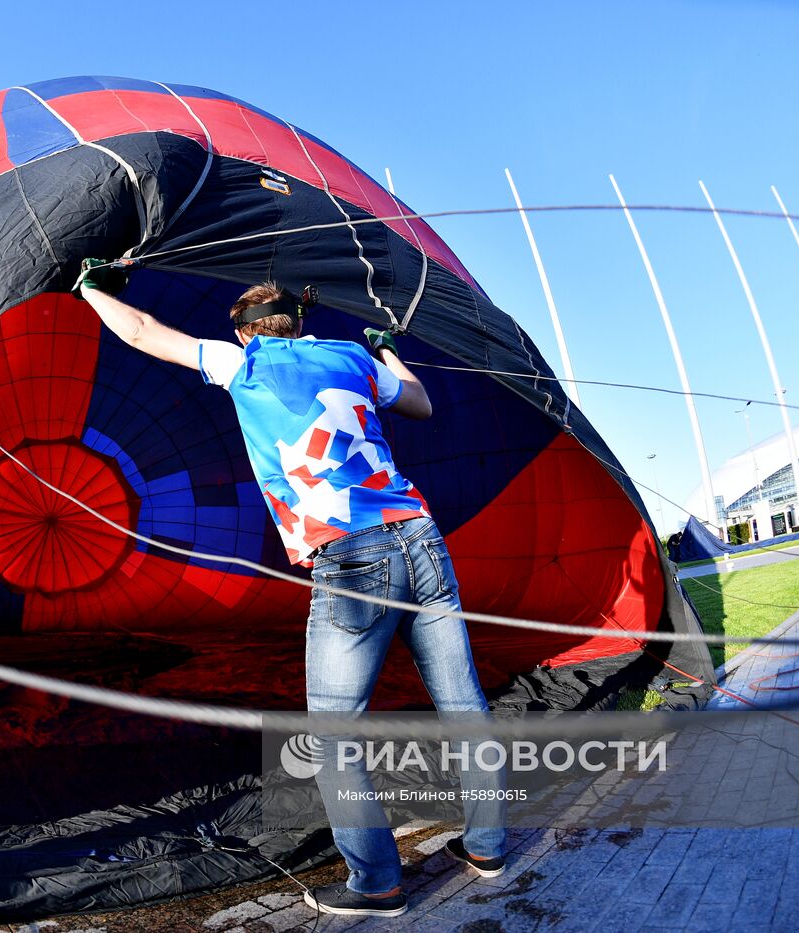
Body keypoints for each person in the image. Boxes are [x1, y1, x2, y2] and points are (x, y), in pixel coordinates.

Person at [74, 260, 505, 918]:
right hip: (421, 537)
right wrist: (386, 345)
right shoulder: (352, 357)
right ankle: (487, 844)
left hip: (351, 553)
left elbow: (138, 331)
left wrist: (93, 289)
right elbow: (419, 401)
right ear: (296, 322)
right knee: (463, 703)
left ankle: (378, 882)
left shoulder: (241, 364)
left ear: (249, 333)